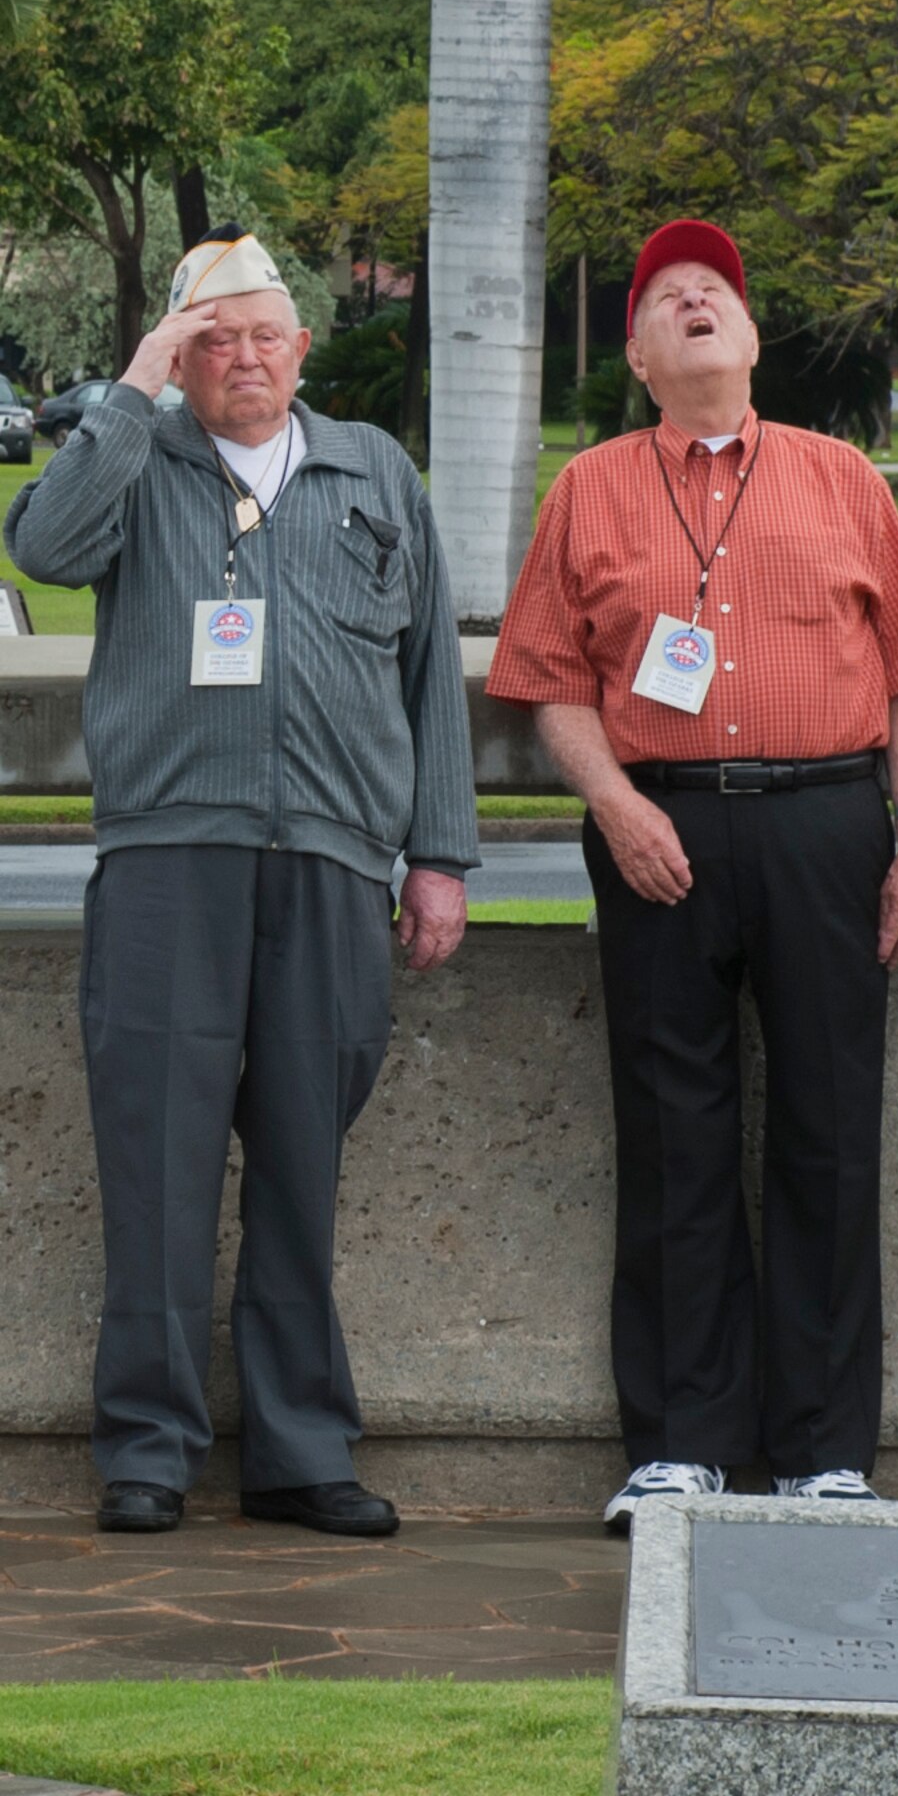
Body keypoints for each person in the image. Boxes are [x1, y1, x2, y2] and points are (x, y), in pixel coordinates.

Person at [486, 219, 898, 1529]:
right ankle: (681, 1442)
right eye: (667, 299)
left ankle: (822, 1449)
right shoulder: (586, 490)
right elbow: (550, 686)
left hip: (826, 825)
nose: (696, 304)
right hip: (659, 832)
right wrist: (618, 804)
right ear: (639, 356)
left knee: (827, 1129)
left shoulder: (842, 476)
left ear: (749, 341)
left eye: (717, 294)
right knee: (673, 1135)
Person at [6, 226, 477, 1538]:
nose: (244, 358)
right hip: (170, 860)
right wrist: (134, 386)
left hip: (333, 865)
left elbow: (431, 672)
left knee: (298, 1173)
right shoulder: (136, 460)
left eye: (265, 333)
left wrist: (436, 854)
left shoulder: (370, 468)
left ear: (302, 346)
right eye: (213, 339)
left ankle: (297, 1451)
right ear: (181, 353)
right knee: (153, 1165)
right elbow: (40, 549)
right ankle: (147, 1448)